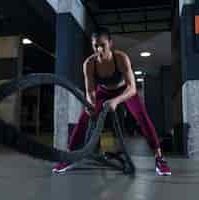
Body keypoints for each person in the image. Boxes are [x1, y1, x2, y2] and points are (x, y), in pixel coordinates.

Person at [52, 27, 171, 176]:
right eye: (96, 45)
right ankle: (69, 157)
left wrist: (116, 101)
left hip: (124, 91)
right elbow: (90, 90)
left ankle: (159, 158)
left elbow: (132, 88)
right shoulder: (89, 63)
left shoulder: (121, 58)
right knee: (84, 116)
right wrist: (91, 104)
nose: (99, 49)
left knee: (142, 117)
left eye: (103, 45)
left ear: (110, 43)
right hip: (103, 92)